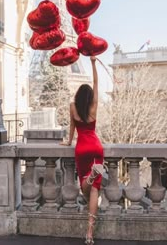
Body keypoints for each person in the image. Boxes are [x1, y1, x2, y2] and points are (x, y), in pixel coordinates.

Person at [61, 56, 104, 244]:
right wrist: (94, 63)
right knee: (94, 189)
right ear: (89, 97)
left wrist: (68, 141)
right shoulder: (93, 106)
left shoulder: (72, 107)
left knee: (86, 189)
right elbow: (96, 82)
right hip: (96, 146)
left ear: (78, 96)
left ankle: (91, 177)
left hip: (82, 148)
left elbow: (72, 127)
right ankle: (89, 232)